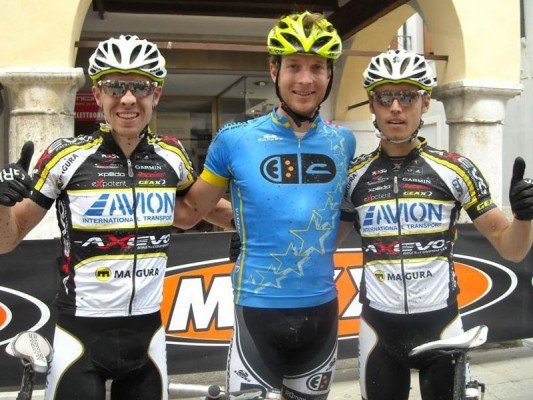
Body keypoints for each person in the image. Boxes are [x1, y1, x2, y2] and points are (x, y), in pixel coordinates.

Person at [0, 34, 232, 400]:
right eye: (114, 86)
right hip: (80, 336)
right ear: (97, 95)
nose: (127, 98)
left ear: (156, 94)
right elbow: (7, 239)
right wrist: (2, 202)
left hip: (148, 335)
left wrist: (263, 221)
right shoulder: (66, 157)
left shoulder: (172, 156)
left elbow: (193, 213)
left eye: (139, 86)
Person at [173, 11, 356, 400]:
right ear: (274, 70)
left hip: (322, 312)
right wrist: (146, 178)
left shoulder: (344, 142)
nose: (305, 79)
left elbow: (334, 216)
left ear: (330, 75)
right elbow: (189, 213)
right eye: (293, 66)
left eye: (317, 67)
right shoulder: (234, 139)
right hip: (257, 313)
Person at [338, 49, 533, 400]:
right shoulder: (353, 176)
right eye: (384, 96)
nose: (395, 107)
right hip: (378, 329)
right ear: (372, 104)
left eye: (407, 96)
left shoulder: (456, 169)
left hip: (441, 327)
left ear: (425, 103)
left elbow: (512, 249)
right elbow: (322, 244)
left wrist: (523, 216)